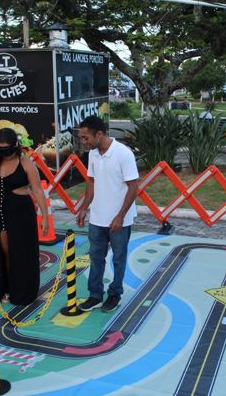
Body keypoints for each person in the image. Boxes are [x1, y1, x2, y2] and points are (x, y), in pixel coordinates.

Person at [0, 128, 49, 305]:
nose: (5, 153)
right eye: (0, 149)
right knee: (4, 251)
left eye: (8, 149)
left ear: (16, 145)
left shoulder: (26, 163)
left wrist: (44, 216)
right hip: (0, 211)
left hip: (21, 212)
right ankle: (7, 288)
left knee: (22, 252)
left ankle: (24, 291)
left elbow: (37, 189)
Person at [76, 115, 139, 312]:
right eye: (82, 138)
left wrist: (120, 216)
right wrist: (84, 208)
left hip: (119, 219)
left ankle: (114, 294)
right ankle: (95, 295)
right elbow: (91, 183)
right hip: (97, 218)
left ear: (99, 134)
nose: (83, 142)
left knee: (118, 258)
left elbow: (133, 187)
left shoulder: (123, 154)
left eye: (86, 138)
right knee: (96, 257)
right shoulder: (93, 153)